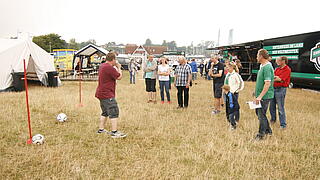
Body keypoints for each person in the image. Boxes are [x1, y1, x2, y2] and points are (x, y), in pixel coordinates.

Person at [95, 52, 127, 138]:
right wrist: (119, 67)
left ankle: (101, 129)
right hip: (107, 93)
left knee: (105, 112)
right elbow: (119, 77)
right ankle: (114, 132)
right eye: (115, 59)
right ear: (113, 59)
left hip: (101, 92)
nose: (116, 61)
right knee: (114, 111)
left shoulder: (102, 66)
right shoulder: (109, 68)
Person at [254, 49, 274, 140]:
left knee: (261, 114)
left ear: (261, 56)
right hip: (260, 94)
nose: (256, 57)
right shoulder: (262, 66)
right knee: (259, 114)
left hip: (265, 96)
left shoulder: (267, 67)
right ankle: (268, 131)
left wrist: (260, 96)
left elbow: (267, 83)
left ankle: (261, 134)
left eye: (257, 55)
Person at [270, 56, 291, 129]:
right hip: (274, 88)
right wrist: (275, 77)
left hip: (281, 89)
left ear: (283, 61)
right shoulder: (277, 69)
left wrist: (275, 78)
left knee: (280, 107)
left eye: (278, 60)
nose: (276, 62)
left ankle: (283, 124)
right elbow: (273, 76)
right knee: (271, 107)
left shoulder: (287, 69)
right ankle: (273, 120)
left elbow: (279, 79)